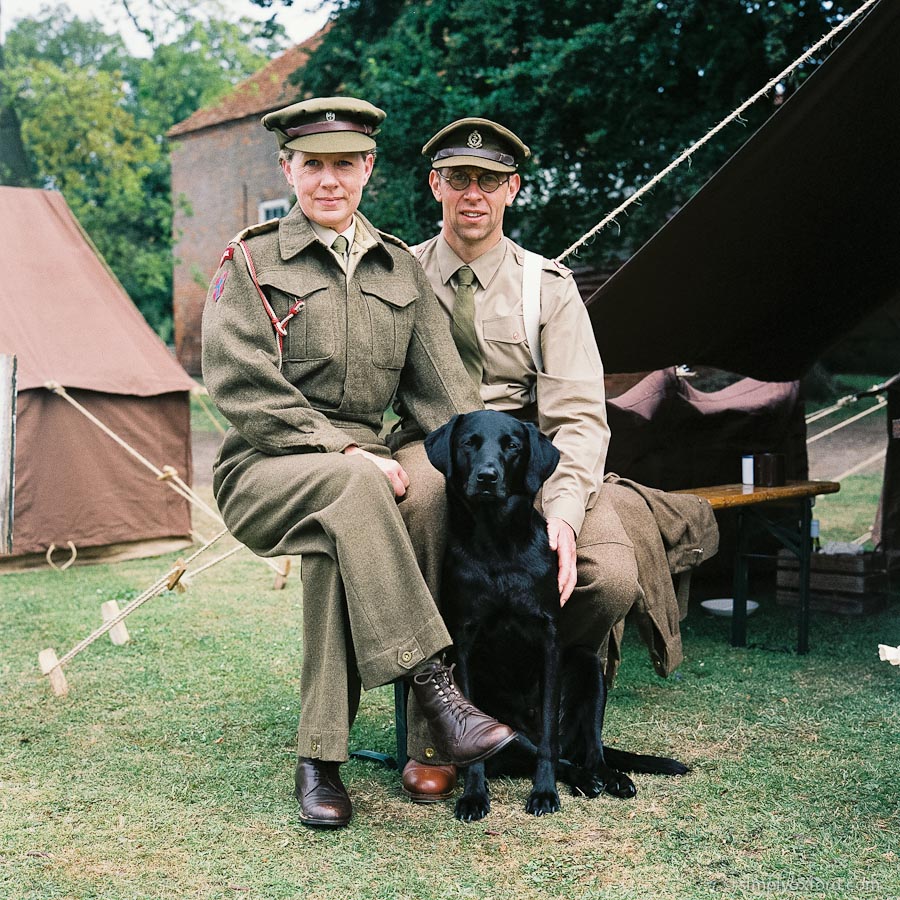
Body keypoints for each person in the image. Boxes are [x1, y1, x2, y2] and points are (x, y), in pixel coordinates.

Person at [201, 98, 517, 830]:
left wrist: (482, 474)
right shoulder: (251, 261)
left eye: (346, 163)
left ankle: (412, 749)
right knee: (353, 486)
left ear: (369, 169)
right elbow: (241, 387)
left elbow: (446, 397)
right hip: (264, 465)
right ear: (288, 168)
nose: (330, 180)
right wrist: (342, 447)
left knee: (422, 493)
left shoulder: (401, 270)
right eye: (314, 164)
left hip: (363, 470)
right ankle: (435, 698)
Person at [391, 118, 718, 802]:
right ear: (435, 186)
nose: (472, 193)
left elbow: (576, 416)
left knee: (611, 576)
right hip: (437, 446)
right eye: (458, 178)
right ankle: (439, 726)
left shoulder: (549, 286)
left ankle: (555, 719)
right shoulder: (397, 279)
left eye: (488, 180)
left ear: (513, 189)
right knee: (421, 501)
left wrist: (563, 516)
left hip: (527, 460)